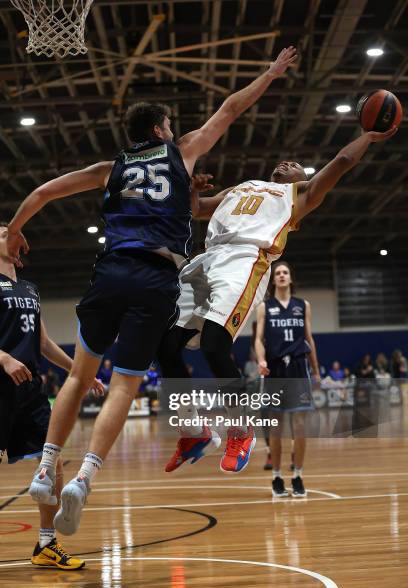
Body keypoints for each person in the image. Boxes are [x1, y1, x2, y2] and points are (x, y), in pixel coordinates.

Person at [6, 46, 298, 536]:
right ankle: (84, 477)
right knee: (125, 382)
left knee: (79, 378)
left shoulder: (111, 167)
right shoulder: (181, 151)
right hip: (157, 278)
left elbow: (41, 194)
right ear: (162, 130)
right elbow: (229, 108)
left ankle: (45, 469)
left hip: (110, 271)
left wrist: (14, 231)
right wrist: (270, 73)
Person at [157, 123, 398, 474]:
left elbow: (344, 159)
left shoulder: (299, 196)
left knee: (214, 345)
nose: (287, 162)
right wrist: (193, 192)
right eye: (285, 162)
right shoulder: (244, 187)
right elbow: (196, 210)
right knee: (163, 347)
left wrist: (371, 135)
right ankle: (194, 432)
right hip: (206, 259)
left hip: (245, 261)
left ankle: (242, 429)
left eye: (295, 164)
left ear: (303, 178)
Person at [0, 223, 103, 568]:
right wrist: (3, 357)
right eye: (2, 234)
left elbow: (43, 344)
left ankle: (46, 544)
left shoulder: (29, 288)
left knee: (52, 458)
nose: (9, 236)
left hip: (28, 389)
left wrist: (81, 372)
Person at [255, 262, 319, 497]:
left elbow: (309, 339)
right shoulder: (264, 307)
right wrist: (261, 360)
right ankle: (276, 477)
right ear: (273, 280)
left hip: (298, 369)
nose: (281, 275)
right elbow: (259, 340)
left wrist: (316, 370)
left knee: (300, 427)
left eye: (285, 272)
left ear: (290, 278)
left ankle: (298, 476)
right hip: (274, 370)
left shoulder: (303, 306)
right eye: (278, 273)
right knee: (276, 427)